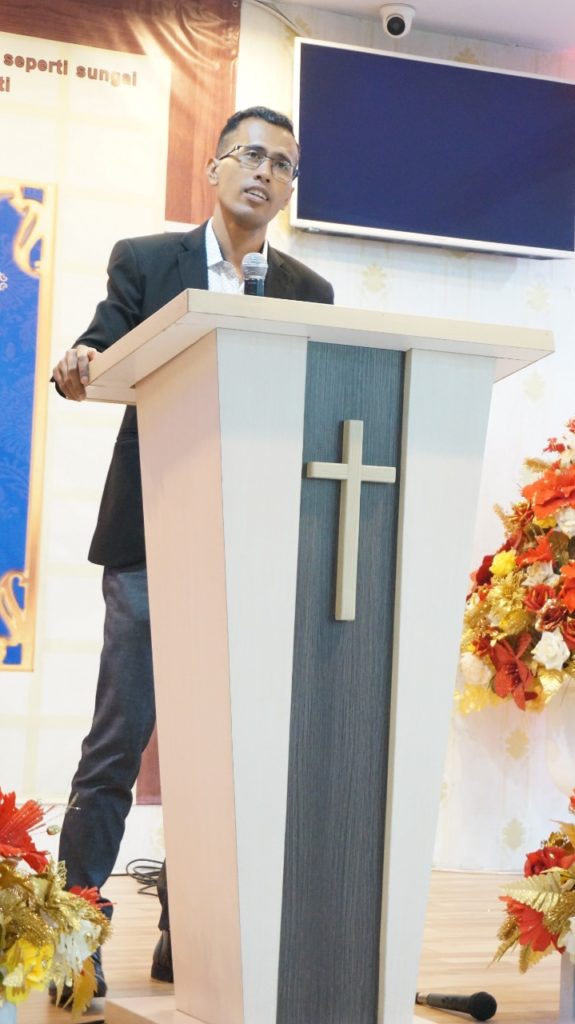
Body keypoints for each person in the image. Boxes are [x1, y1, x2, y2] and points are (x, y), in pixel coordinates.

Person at [51, 105, 334, 1003]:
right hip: (151, 536)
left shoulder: (308, 291)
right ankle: (75, 933)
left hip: (250, 546)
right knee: (118, 743)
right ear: (213, 170)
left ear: (288, 190)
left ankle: (194, 932)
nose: (264, 172)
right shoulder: (146, 261)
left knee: (229, 752)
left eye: (282, 164)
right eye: (249, 155)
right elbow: (104, 339)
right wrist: (81, 358)